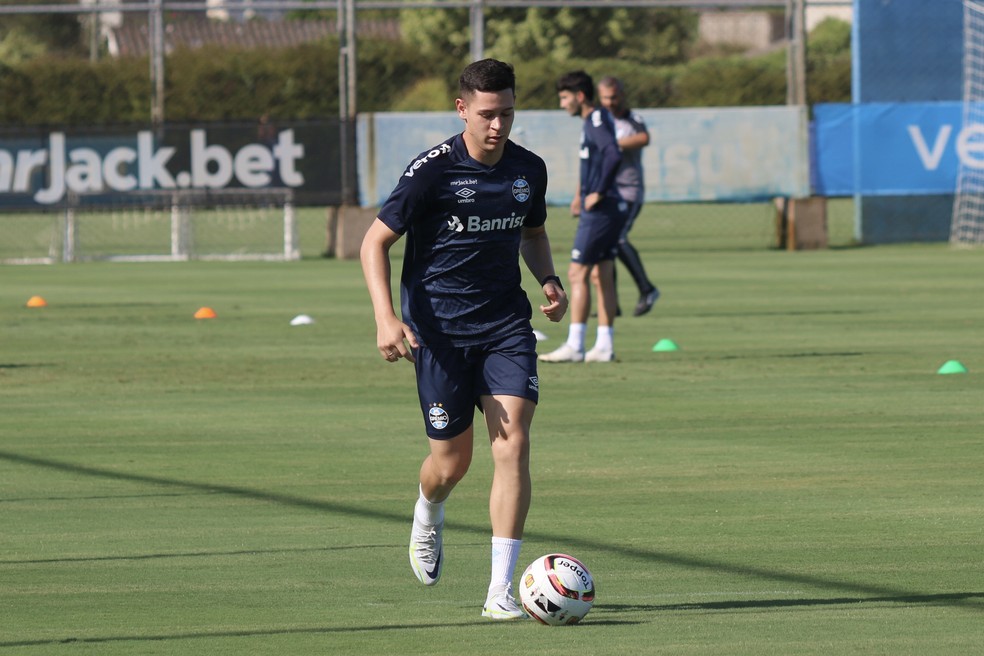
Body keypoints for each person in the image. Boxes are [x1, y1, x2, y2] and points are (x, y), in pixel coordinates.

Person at [360, 58, 568, 620]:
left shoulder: (529, 169)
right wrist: (385, 318)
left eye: (507, 114)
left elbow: (533, 232)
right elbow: (373, 243)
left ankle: (500, 591)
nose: (498, 126)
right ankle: (428, 511)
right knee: (451, 464)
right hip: (439, 336)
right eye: (487, 115)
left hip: (505, 328)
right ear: (462, 110)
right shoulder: (431, 172)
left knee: (513, 443)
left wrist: (548, 278)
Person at [539, 70, 626, 364]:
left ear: (579, 96)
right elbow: (596, 162)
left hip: (601, 210)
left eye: (565, 98)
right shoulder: (594, 120)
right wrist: (580, 194)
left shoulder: (597, 119)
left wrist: (597, 192)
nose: (562, 104)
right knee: (602, 274)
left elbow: (613, 154)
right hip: (608, 209)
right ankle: (604, 345)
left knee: (577, 273)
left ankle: (575, 344)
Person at [596, 76, 660, 317]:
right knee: (604, 245)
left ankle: (647, 289)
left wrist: (613, 145)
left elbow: (644, 138)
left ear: (621, 95)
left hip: (629, 191)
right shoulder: (599, 120)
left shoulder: (632, 118)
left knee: (618, 239)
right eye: (605, 98)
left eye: (613, 97)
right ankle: (611, 304)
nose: (610, 102)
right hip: (607, 192)